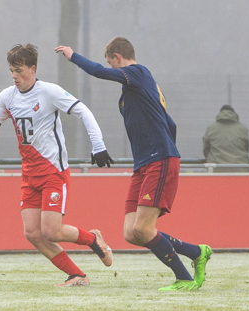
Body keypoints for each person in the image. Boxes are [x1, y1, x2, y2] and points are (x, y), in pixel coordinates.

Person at [0, 44, 115, 287]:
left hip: (52, 173)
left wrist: (98, 145)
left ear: (32, 69)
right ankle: (77, 275)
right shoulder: (8, 96)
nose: (14, 76)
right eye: (11, 71)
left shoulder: (49, 92)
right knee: (32, 233)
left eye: (18, 70)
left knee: (52, 231)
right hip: (30, 176)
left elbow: (83, 111)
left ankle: (93, 239)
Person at [56, 37, 212, 291]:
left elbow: (98, 71)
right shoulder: (135, 88)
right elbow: (169, 123)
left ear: (118, 57)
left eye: (111, 62)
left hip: (158, 160)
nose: (111, 68)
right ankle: (197, 252)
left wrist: (73, 56)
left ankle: (184, 278)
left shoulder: (137, 73)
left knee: (143, 227)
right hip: (145, 164)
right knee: (132, 232)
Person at [202, 104, 249, 172]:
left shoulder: (211, 128)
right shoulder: (243, 129)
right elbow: (246, 149)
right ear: (234, 114)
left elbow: (206, 149)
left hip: (217, 171)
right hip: (240, 170)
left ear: (220, 113)